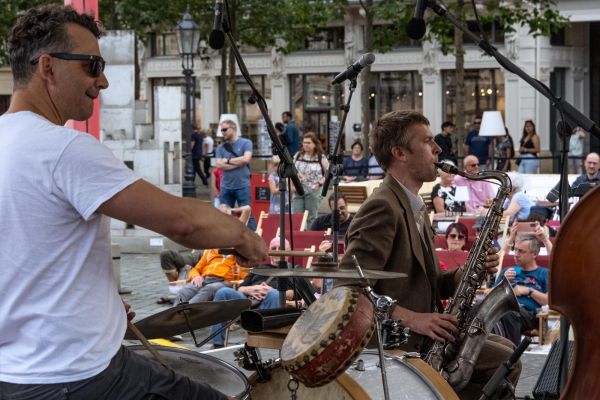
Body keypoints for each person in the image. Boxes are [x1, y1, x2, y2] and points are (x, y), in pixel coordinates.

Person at [0, 6, 266, 399]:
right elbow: (183, 223)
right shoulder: (64, 149)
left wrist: (97, 309)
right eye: (92, 65)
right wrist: (244, 237)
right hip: (77, 375)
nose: (103, 81)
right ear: (48, 66)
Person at [338, 110, 518, 400]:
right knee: (504, 362)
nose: (438, 149)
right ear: (400, 153)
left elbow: (429, 282)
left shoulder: (414, 205)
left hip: (424, 336)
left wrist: (465, 273)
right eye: (427, 142)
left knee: (507, 352)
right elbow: (347, 291)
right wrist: (415, 319)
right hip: (397, 344)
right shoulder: (383, 207)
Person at [209, 237, 295, 348]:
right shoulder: (259, 268)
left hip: (268, 305)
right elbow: (240, 288)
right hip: (248, 302)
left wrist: (275, 291)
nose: (277, 250)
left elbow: (298, 294)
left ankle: (263, 340)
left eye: (281, 248)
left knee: (273, 295)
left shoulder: (294, 271)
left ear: (288, 251)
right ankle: (217, 343)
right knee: (223, 291)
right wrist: (249, 289)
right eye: (273, 248)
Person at [494, 234, 549, 346]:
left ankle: (512, 356)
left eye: (521, 251)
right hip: (503, 309)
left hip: (530, 315)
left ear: (534, 254)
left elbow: (550, 301)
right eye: (515, 250)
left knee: (509, 312)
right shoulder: (507, 272)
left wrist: (529, 291)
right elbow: (491, 297)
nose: (516, 254)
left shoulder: (544, 274)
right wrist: (504, 283)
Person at [215, 119, 256, 230]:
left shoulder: (246, 143)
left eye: (225, 129)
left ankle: (254, 239)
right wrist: (239, 162)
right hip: (226, 186)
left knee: (248, 214)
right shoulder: (220, 148)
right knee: (224, 215)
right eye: (221, 130)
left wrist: (227, 161)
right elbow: (219, 165)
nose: (222, 132)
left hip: (242, 185)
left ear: (233, 128)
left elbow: (246, 159)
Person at [292, 132, 329, 226]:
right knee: (297, 216)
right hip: (298, 190)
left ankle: (310, 236)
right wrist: (295, 178)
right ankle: (298, 237)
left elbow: (329, 174)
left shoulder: (321, 157)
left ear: (315, 144)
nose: (306, 145)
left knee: (311, 217)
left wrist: (320, 184)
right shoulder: (298, 155)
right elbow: (292, 170)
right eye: (304, 142)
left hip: (313, 191)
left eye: (309, 143)